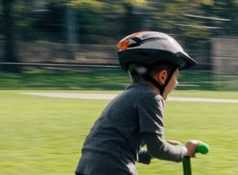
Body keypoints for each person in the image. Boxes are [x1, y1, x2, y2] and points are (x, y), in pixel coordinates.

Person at [75, 31, 204, 175]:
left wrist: (154, 152)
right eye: (176, 77)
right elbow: (158, 148)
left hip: (87, 169)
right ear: (163, 76)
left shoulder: (127, 96)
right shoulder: (151, 98)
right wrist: (184, 151)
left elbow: (121, 151)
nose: (176, 83)